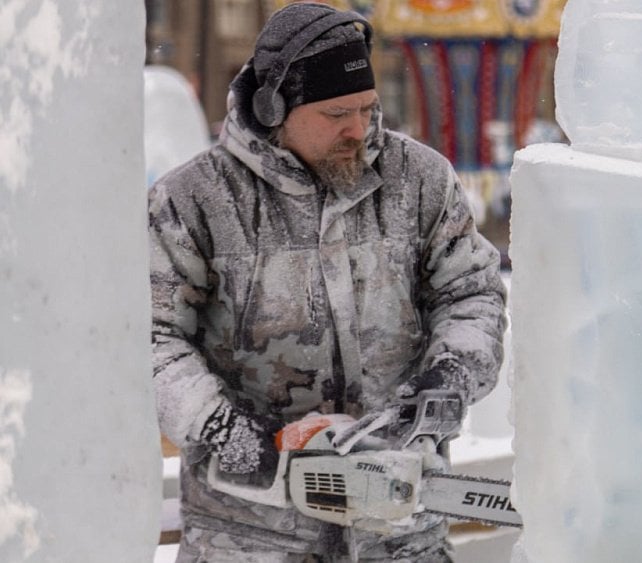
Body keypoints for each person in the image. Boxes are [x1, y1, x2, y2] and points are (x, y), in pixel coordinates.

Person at [148, 4, 507, 561]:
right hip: (249, 539)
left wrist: (444, 384)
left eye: (366, 108)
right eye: (337, 113)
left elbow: (472, 294)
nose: (358, 129)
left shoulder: (419, 180)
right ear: (274, 109)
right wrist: (232, 431)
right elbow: (152, 338)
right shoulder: (192, 202)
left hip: (401, 530)